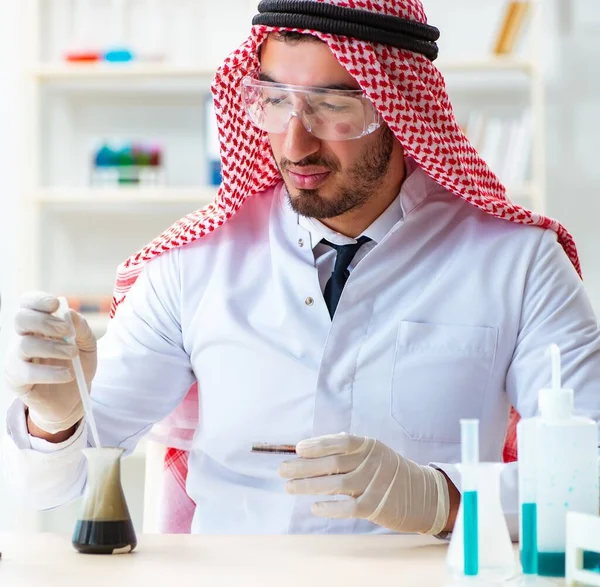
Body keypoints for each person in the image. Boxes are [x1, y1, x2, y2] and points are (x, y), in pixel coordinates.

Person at [3, 0, 600, 537]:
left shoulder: (519, 263)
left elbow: (589, 481)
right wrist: (56, 419)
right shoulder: (195, 264)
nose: (295, 143)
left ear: (398, 106)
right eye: (274, 102)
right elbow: (55, 484)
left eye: (332, 106)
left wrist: (444, 499)